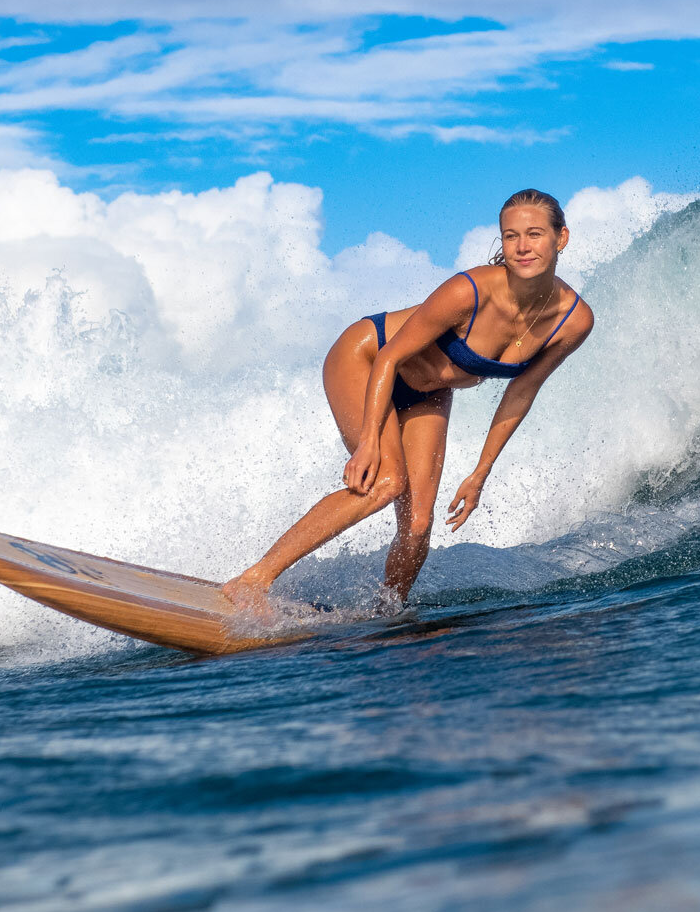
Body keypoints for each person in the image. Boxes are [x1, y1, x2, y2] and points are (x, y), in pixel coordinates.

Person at [223, 188, 594, 610]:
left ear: (560, 238)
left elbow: (521, 392)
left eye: (534, 234)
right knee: (385, 481)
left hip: (429, 392)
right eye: (511, 236)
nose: (522, 247)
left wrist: (479, 473)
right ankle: (253, 580)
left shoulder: (573, 320)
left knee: (418, 523)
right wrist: (367, 443)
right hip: (367, 357)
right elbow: (391, 355)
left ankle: (389, 612)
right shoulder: (469, 291)